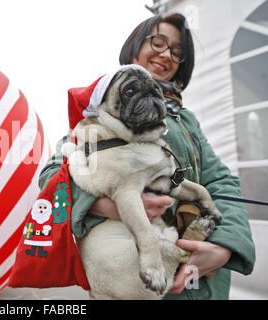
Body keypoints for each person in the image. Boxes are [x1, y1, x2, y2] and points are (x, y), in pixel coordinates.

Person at [39, 13, 255, 300]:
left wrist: (225, 245)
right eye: (158, 42)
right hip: (129, 276)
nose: (166, 54)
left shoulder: (186, 120)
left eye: (177, 52)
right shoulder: (102, 111)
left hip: (203, 282)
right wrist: (104, 203)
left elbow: (221, 181)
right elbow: (52, 175)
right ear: (135, 46)